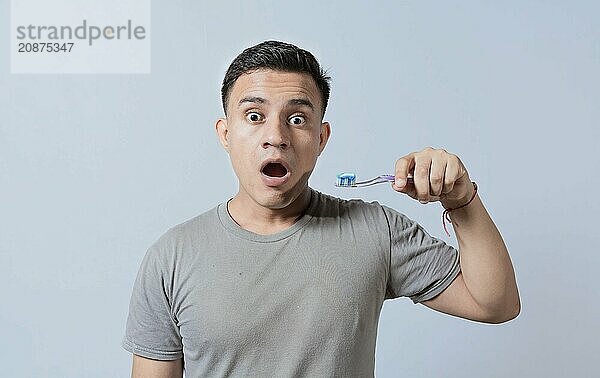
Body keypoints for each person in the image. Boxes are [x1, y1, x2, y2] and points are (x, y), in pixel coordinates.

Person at [122, 40, 520, 377]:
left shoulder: (375, 229)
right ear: (226, 133)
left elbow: (495, 303)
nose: (275, 137)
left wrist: (461, 199)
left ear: (320, 137)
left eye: (297, 118)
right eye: (254, 116)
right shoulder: (171, 257)